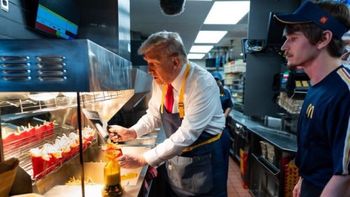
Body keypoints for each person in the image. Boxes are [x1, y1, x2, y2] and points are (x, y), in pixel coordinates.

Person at [109, 31, 230, 196]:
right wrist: (132, 132)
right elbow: (154, 115)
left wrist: (144, 159)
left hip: (205, 155)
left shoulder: (201, 83)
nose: (149, 70)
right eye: (147, 63)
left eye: (154, 63)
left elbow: (187, 134)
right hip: (178, 153)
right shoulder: (161, 80)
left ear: (175, 61)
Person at [274, 1, 350, 197]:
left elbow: (345, 175)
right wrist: (304, 178)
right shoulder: (317, 85)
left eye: (293, 38)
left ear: (324, 38)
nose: (284, 46)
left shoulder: (345, 93)